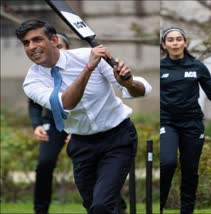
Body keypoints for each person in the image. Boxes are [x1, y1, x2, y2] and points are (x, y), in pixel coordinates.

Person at [16, 20, 152, 214]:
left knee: (101, 206)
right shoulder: (32, 82)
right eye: (26, 43)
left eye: (36, 40)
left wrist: (129, 82)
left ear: (54, 40)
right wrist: (89, 68)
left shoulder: (87, 55)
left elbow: (139, 90)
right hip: (81, 145)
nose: (31, 47)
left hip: (117, 138)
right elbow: (65, 104)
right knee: (93, 207)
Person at [160, 27, 211, 213]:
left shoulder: (197, 66)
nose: (175, 43)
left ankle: (186, 211)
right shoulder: (160, 68)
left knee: (190, 171)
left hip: (192, 124)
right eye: (170, 40)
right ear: (164, 45)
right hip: (168, 123)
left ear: (185, 43)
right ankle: (159, 205)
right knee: (168, 163)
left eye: (178, 39)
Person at [28, 33, 71, 214]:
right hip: (53, 124)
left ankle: (116, 207)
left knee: (91, 163)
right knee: (44, 164)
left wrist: (77, 131)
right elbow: (33, 103)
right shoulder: (39, 72)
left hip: (81, 124)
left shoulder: (80, 69)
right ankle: (40, 210)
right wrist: (37, 124)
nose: (56, 49)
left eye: (60, 46)